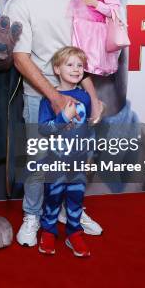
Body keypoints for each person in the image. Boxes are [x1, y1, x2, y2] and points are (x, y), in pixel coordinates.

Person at [5, 0, 103, 247]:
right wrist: (55, 97)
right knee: (39, 162)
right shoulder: (20, 2)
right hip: (41, 98)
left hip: (76, 97)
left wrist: (92, 95)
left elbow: (78, 53)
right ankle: (32, 215)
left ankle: (67, 211)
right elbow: (20, 58)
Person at [37, 46, 92, 257]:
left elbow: (88, 129)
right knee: (53, 197)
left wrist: (89, 155)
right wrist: (63, 119)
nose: (76, 69)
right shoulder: (49, 98)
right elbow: (44, 128)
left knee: (76, 198)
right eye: (70, 64)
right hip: (56, 161)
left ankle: (74, 233)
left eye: (80, 65)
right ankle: (49, 232)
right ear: (57, 69)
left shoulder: (85, 97)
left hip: (78, 161)